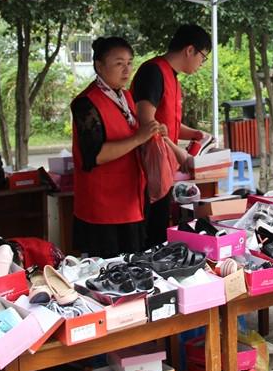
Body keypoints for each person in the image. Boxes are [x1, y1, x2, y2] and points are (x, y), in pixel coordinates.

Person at [70, 37, 162, 257]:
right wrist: (139, 138)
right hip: (103, 207)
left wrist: (153, 133)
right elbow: (94, 155)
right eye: (119, 63)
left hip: (131, 200)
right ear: (99, 66)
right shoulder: (86, 102)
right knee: (106, 272)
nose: (127, 69)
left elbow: (132, 133)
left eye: (130, 62)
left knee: (134, 267)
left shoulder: (125, 96)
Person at [132, 24, 212, 247]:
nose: (201, 64)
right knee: (151, 235)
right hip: (149, 171)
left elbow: (168, 122)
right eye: (202, 57)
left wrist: (195, 133)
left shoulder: (172, 77)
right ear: (189, 50)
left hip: (164, 170)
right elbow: (149, 125)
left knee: (160, 229)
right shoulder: (153, 72)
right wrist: (180, 155)